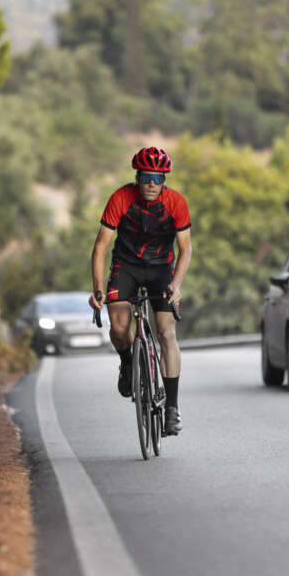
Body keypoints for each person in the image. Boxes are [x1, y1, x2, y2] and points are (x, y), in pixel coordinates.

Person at [88, 147, 192, 436]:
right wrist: (97, 290)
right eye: (146, 177)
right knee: (120, 328)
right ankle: (127, 362)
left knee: (165, 332)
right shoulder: (120, 198)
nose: (151, 184)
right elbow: (100, 248)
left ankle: (172, 407)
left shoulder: (176, 202)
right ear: (137, 177)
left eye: (157, 178)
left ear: (163, 180)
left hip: (161, 269)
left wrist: (176, 286)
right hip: (127, 266)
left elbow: (185, 249)